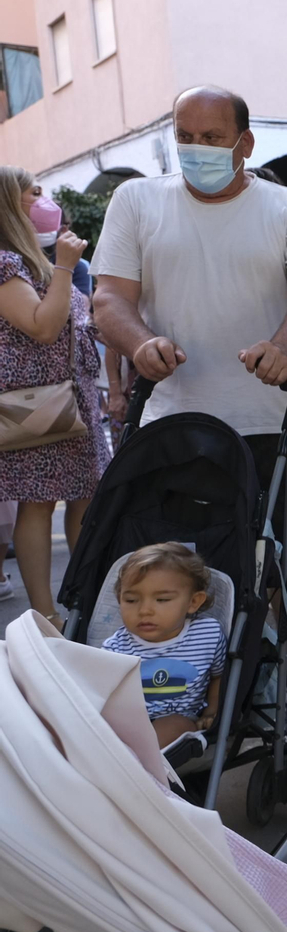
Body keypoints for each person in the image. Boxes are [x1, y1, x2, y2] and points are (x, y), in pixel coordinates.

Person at [91, 86, 287, 743]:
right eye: (186, 137)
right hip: (174, 428)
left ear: (244, 144)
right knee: (180, 566)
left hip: (277, 418)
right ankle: (188, 678)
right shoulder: (138, 202)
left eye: (211, 137)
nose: (196, 150)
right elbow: (109, 297)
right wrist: (139, 344)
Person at [0, 165, 110, 628]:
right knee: (38, 501)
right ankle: (44, 614)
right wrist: (65, 266)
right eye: (34, 192)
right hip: (37, 399)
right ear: (10, 203)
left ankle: (83, 601)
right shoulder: (5, 263)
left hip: (72, 393)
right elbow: (43, 326)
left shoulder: (34, 259)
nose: (45, 200)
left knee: (88, 495)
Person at [100, 542, 226, 749]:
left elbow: (218, 675)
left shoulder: (207, 635)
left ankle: (135, 763)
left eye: (162, 599)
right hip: (126, 724)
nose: (145, 610)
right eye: (131, 600)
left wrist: (212, 710)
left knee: (175, 724)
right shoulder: (115, 647)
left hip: (178, 721)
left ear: (194, 602)